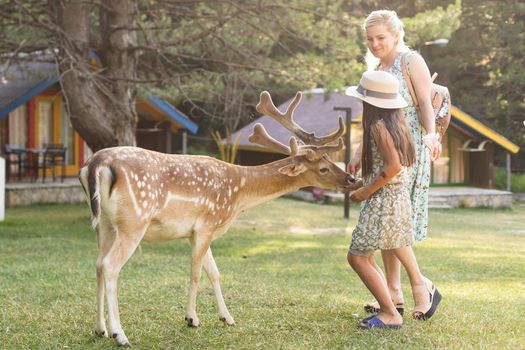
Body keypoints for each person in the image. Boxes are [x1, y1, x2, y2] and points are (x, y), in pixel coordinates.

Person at [347, 9, 441, 316]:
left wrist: (430, 135)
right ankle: (394, 291)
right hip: (380, 148)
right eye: (370, 39)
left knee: (394, 219)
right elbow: (372, 114)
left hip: (408, 146)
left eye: (381, 37)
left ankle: (420, 287)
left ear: (396, 34)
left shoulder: (411, 61)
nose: (375, 44)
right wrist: (358, 153)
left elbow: (425, 102)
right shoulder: (376, 66)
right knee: (387, 222)